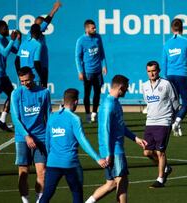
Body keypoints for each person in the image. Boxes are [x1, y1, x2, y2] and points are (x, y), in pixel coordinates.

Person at [85, 75, 147, 203]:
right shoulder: (109, 105)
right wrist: (109, 153)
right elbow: (105, 131)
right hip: (114, 151)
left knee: (111, 184)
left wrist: (135, 138)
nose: (127, 91)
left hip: (113, 150)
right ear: (120, 87)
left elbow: (120, 126)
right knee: (122, 183)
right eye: (126, 88)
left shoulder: (115, 103)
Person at [40, 88, 107, 203]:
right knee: (77, 193)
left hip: (53, 163)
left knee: (46, 195)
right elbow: (82, 141)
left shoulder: (52, 117)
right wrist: (97, 158)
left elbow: (47, 141)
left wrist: (49, 159)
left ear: (63, 100)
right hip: (70, 164)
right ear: (76, 102)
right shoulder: (74, 119)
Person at [10, 67, 52, 203]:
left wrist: (51, 136)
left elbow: (49, 115)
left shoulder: (44, 92)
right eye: (22, 81)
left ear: (33, 77)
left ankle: (39, 201)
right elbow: (16, 118)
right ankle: (25, 201)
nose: (25, 83)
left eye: (27, 80)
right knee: (23, 172)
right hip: (22, 138)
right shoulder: (16, 94)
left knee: (43, 172)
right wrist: (27, 136)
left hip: (41, 137)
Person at [141, 61, 179, 188]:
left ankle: (161, 179)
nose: (152, 73)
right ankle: (166, 168)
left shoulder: (166, 84)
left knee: (160, 152)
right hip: (150, 122)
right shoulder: (145, 85)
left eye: (154, 70)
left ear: (158, 71)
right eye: (149, 71)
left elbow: (175, 102)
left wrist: (176, 120)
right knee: (147, 152)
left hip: (164, 122)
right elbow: (147, 102)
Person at [162, 18, 187, 136]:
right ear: (182, 28)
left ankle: (176, 125)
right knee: (186, 103)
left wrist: (165, 78)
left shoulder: (167, 44)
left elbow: (164, 63)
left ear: (172, 29)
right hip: (183, 75)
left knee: (174, 103)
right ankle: (176, 122)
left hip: (170, 76)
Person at [75, 19, 107, 123]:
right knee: (87, 94)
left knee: (97, 93)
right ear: (87, 29)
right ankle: (87, 114)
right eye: (93, 28)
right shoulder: (81, 40)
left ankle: (94, 113)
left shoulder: (98, 38)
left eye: (95, 27)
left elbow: (101, 52)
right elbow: (77, 57)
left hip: (98, 71)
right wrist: (80, 71)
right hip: (87, 72)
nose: (95, 29)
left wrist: (104, 66)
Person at [34, 0, 62, 87]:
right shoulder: (34, 35)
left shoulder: (40, 36)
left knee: (43, 92)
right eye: (44, 26)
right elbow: (46, 23)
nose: (46, 28)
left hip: (43, 68)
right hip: (38, 71)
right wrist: (54, 9)